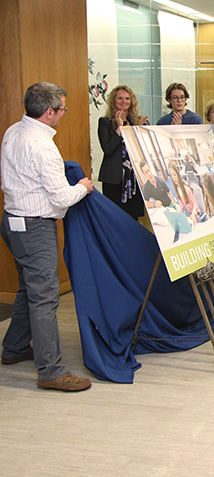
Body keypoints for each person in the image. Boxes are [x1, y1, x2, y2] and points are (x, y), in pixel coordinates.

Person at [1, 82, 94, 391]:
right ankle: (51, 371)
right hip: (35, 228)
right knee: (44, 298)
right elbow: (62, 197)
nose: (63, 115)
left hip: (12, 221)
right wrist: (84, 186)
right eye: (62, 110)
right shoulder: (43, 146)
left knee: (29, 289)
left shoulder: (13, 132)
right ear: (49, 112)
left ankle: (14, 349)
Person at [97, 85, 148, 220]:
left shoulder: (136, 121)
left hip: (134, 179)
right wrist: (120, 129)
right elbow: (108, 149)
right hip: (114, 179)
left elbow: (143, 151)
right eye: (120, 98)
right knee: (114, 218)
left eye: (127, 98)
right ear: (113, 100)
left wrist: (140, 130)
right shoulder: (105, 122)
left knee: (133, 218)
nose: (123, 101)